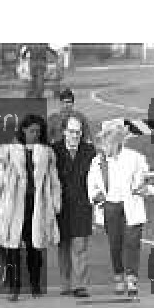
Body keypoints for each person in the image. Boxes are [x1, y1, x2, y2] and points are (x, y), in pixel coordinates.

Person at [0, 114, 60, 301]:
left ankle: (35, 285)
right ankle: (14, 287)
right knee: (12, 249)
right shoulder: (8, 151)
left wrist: (56, 205)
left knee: (35, 249)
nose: (35, 134)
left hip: (37, 206)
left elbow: (54, 181)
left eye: (38, 131)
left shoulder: (47, 152)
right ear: (24, 130)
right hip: (12, 207)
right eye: (32, 130)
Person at [87, 119, 154, 298]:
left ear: (117, 141)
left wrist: (146, 190)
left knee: (132, 243)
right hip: (110, 207)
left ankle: (132, 279)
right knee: (115, 245)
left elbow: (152, 179)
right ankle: (118, 276)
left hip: (131, 206)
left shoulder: (135, 158)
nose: (104, 145)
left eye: (107, 140)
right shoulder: (98, 162)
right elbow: (91, 185)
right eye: (103, 141)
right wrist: (99, 200)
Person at [53, 115, 97, 297]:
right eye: (71, 132)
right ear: (64, 132)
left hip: (81, 205)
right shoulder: (54, 150)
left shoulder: (89, 151)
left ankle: (80, 285)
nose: (75, 135)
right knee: (63, 247)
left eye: (78, 132)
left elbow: (96, 178)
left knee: (80, 246)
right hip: (61, 206)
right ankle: (65, 284)